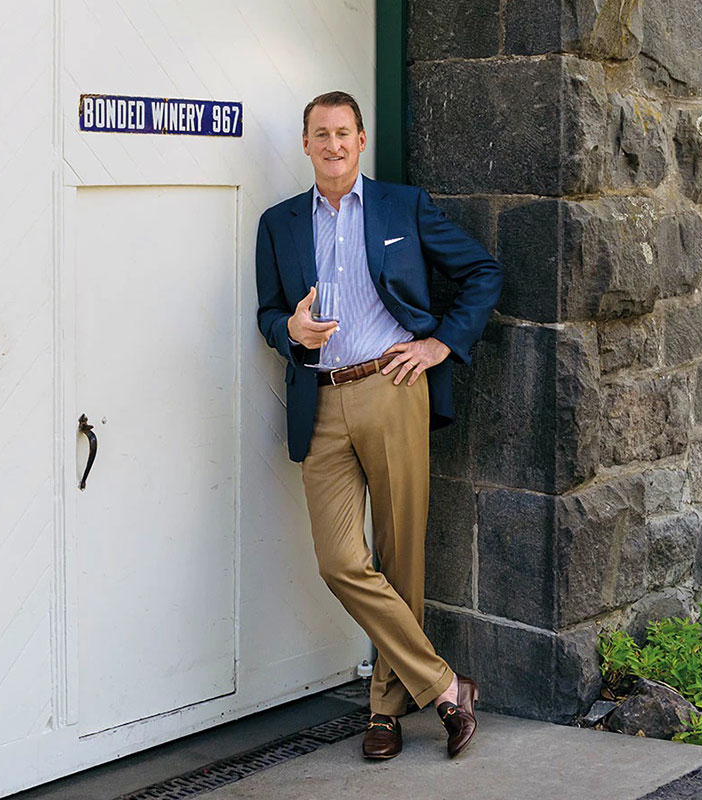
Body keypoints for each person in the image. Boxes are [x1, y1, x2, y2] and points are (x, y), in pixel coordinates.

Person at [254, 91, 502, 759]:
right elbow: (268, 314)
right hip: (322, 396)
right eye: (320, 134)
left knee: (402, 558)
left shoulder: (401, 206)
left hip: (394, 389)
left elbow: (482, 271)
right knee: (340, 560)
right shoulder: (277, 224)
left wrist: (438, 344)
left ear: (361, 141)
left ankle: (386, 713)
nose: (332, 145)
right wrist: (291, 331)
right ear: (305, 144)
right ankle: (447, 687)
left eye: (343, 133)